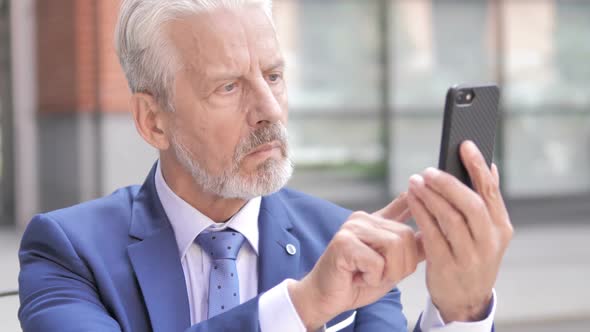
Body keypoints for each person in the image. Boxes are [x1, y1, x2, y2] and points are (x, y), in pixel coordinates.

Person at [17, 0, 513, 331]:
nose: (270, 110)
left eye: (273, 76)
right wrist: (301, 308)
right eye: (228, 87)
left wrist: (461, 309)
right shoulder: (69, 251)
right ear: (153, 121)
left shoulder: (341, 240)